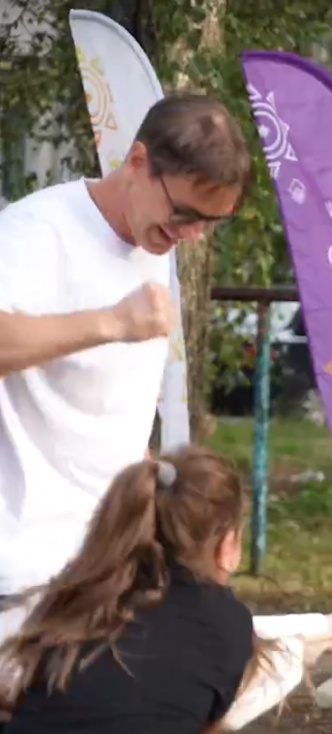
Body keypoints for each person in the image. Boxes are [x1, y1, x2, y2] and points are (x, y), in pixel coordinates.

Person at [0, 93, 249, 609]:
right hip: (24, 575)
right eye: (185, 213)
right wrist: (111, 323)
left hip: (107, 570)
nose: (192, 234)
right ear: (138, 162)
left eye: (210, 222)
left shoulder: (154, 240)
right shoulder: (37, 233)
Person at [0, 446, 332, 733]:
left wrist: (320, 627)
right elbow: (225, 697)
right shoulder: (223, 623)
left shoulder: (78, 599)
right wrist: (311, 638)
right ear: (228, 545)